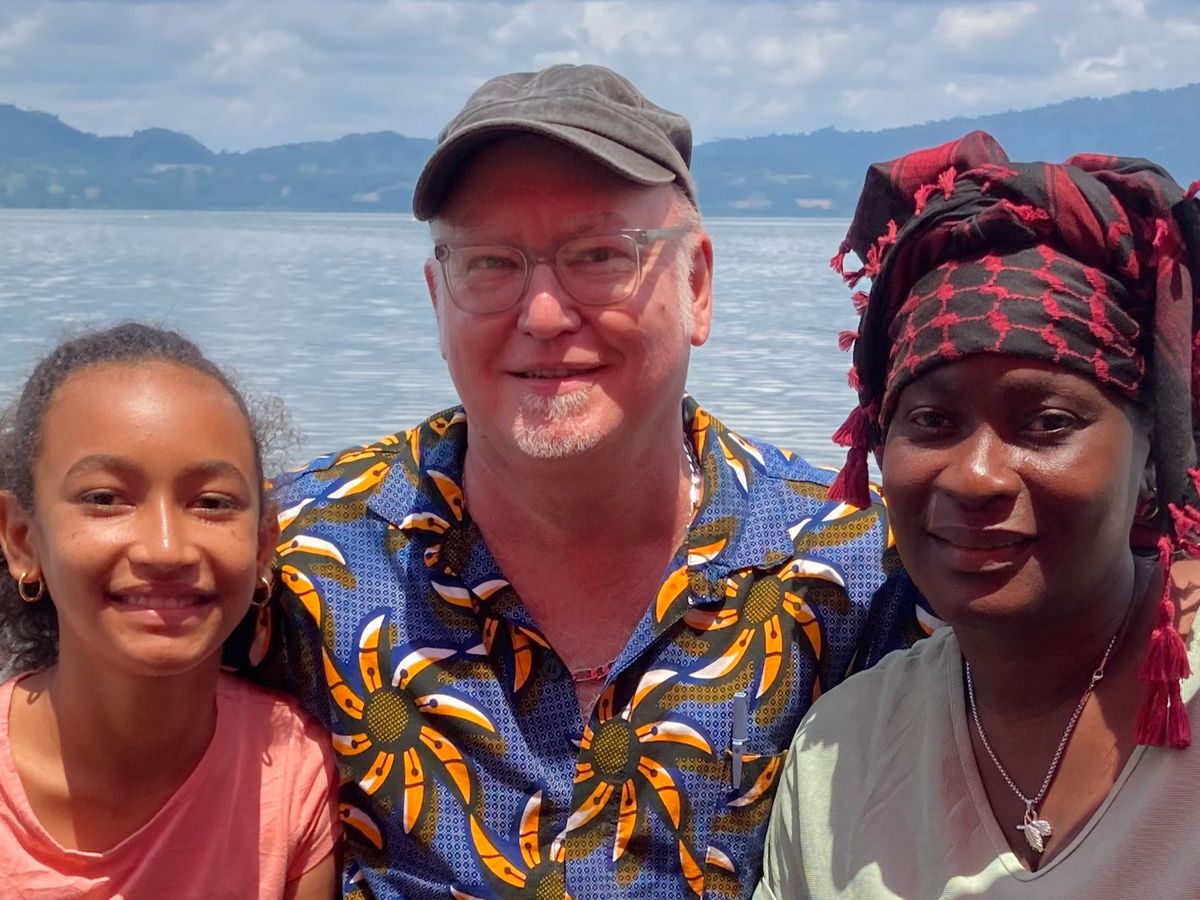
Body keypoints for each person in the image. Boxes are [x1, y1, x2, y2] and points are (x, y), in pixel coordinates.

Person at [264, 64, 924, 900]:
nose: (543, 314)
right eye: (491, 263)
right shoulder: (300, 558)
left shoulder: (853, 571)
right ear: (438, 299)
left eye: (601, 256)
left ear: (697, 286)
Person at [756, 132, 1200, 898]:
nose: (976, 476)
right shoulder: (842, 756)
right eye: (932, 422)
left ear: (1152, 462)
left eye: (1047, 424)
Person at [0, 323, 339, 898]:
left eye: (211, 503)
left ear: (263, 545)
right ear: (22, 540)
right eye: (106, 499)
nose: (165, 549)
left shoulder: (292, 774)